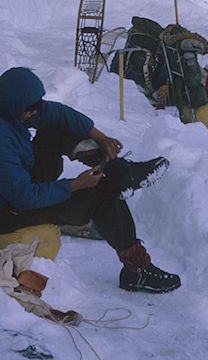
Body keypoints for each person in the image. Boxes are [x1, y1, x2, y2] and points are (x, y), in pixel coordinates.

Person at [0, 67, 181, 294]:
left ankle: (118, 171)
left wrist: (101, 138)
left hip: (17, 184)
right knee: (101, 195)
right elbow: (24, 197)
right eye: (31, 109)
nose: (36, 112)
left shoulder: (10, 111)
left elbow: (57, 114)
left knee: (56, 129)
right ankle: (137, 271)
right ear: (14, 105)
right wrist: (75, 185)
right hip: (10, 211)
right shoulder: (2, 140)